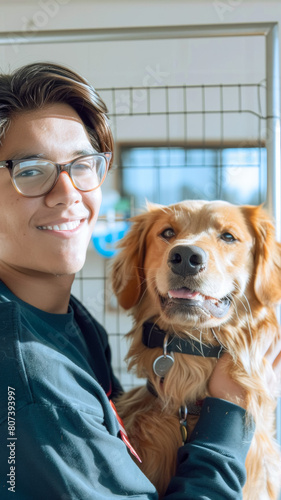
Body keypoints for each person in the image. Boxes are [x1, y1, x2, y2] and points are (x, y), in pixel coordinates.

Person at [0, 62, 280, 500]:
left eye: (82, 165)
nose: (68, 193)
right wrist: (228, 413)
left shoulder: (67, 320)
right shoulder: (31, 380)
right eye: (31, 170)